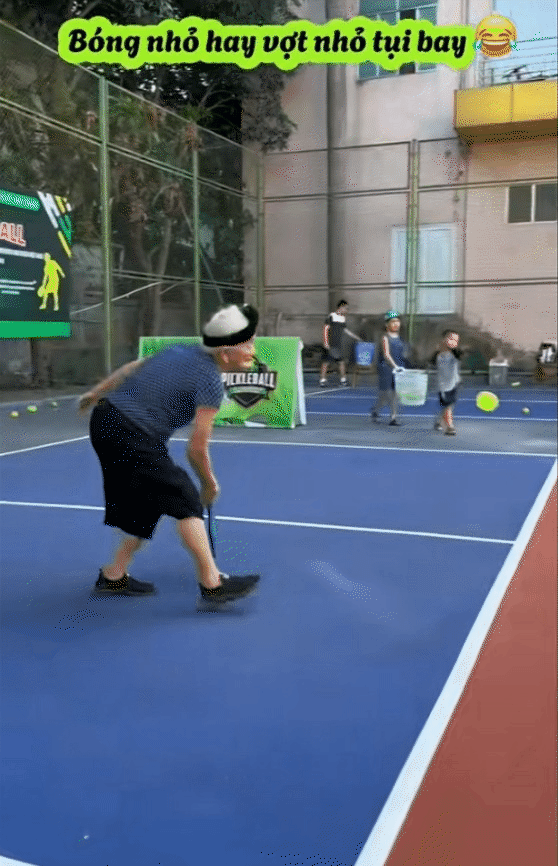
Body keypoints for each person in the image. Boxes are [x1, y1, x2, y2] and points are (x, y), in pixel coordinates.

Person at [78, 304, 261, 603]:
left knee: (148, 501)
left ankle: (113, 575)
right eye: (248, 345)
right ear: (226, 354)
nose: (253, 351)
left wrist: (95, 393)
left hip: (106, 420)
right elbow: (196, 448)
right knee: (184, 497)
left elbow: (130, 369)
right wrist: (209, 484)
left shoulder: (179, 350)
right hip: (131, 432)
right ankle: (213, 584)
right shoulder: (210, 382)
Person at [370, 310, 408, 426]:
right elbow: (386, 355)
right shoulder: (385, 337)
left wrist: (403, 366)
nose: (396, 324)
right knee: (385, 394)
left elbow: (402, 354)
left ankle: (393, 418)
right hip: (386, 368)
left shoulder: (400, 338)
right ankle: (376, 410)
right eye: (393, 322)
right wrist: (395, 367)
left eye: (397, 321)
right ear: (387, 324)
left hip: (398, 368)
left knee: (395, 394)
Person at [319, 300, 361, 387]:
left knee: (341, 362)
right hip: (329, 344)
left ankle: (343, 380)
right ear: (341, 307)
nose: (347, 310)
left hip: (337, 345)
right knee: (326, 362)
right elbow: (325, 328)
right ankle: (322, 380)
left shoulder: (343, 318)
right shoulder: (332, 316)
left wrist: (356, 337)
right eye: (346, 308)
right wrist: (326, 342)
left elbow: (345, 330)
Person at [432, 329, 462, 436]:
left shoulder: (455, 353)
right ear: (444, 339)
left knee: (449, 405)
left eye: (456, 340)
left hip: (454, 383)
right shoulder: (439, 355)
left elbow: (459, 354)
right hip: (443, 386)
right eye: (451, 339)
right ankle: (450, 426)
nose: (454, 342)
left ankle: (439, 421)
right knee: (448, 405)